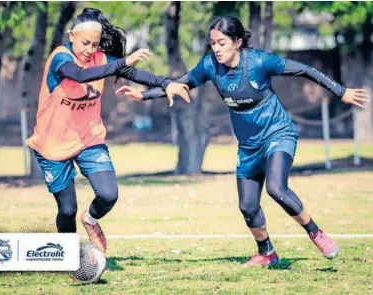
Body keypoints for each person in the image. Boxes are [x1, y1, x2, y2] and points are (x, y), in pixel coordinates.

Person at [116, 15, 369, 266]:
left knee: (276, 188)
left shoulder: (259, 61)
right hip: (248, 146)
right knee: (248, 206)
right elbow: (179, 84)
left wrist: (341, 91)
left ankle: (316, 232)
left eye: (222, 43)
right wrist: (144, 95)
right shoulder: (209, 66)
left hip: (278, 133)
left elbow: (305, 70)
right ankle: (266, 253)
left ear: (237, 42)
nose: (216, 48)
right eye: (213, 43)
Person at [26, 8, 190, 254]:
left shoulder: (100, 58)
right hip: (52, 144)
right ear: (71, 36)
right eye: (84, 43)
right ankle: (68, 257)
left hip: (88, 138)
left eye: (94, 44)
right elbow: (80, 76)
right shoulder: (61, 58)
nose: (89, 50)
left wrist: (168, 84)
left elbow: (135, 73)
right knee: (67, 209)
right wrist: (123, 62)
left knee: (108, 194)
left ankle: (90, 220)